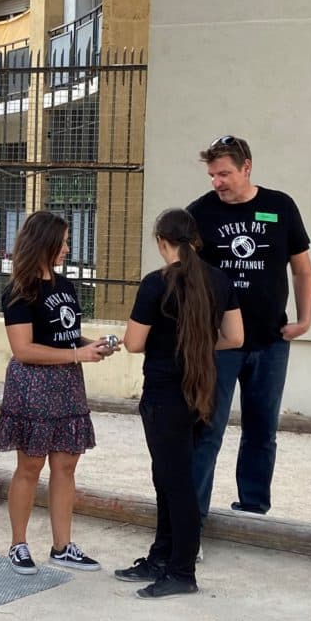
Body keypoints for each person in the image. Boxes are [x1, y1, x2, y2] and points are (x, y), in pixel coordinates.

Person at [114, 209, 243, 599]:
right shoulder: (218, 279)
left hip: (164, 392)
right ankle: (162, 555)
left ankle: (182, 570)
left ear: (161, 242)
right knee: (169, 476)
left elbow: (134, 342)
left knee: (176, 482)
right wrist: (198, 348)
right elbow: (235, 337)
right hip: (201, 389)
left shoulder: (157, 284)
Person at [189, 135, 311, 520]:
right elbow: (184, 278)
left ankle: (253, 509)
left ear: (247, 167)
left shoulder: (280, 207)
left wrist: (304, 320)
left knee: (262, 430)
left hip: (270, 341)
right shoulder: (200, 213)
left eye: (224, 173)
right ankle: (193, 518)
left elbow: (302, 269)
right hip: (220, 344)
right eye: (212, 175)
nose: (217, 182)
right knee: (207, 430)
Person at [0, 211, 115, 576]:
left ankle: (62, 546)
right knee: (29, 465)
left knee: (66, 465)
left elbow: (64, 335)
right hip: (33, 386)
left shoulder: (65, 285)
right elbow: (24, 349)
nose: (66, 248)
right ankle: (18, 544)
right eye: (62, 241)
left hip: (67, 384)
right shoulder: (19, 289)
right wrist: (78, 354)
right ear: (44, 242)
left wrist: (92, 345)